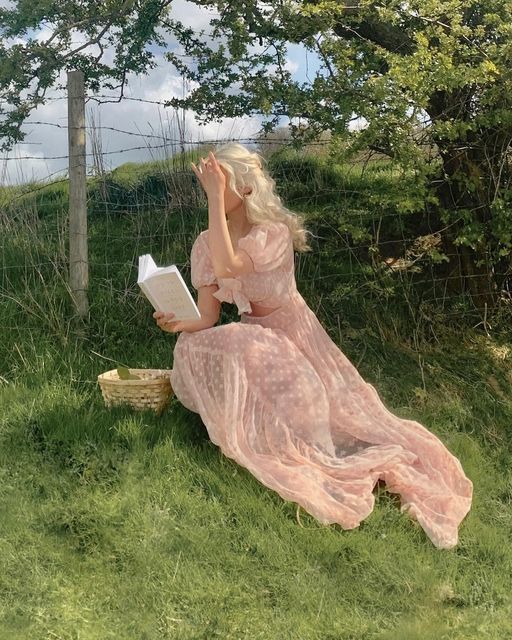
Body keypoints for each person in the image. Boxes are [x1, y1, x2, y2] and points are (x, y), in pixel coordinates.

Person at [154, 142, 473, 550]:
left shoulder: (271, 234)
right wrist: (177, 321)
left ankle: (300, 441)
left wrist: (216, 199)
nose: (211, 190)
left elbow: (230, 266)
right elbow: (208, 318)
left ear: (246, 188)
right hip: (259, 337)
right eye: (209, 185)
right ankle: (242, 429)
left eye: (221, 184)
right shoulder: (206, 241)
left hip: (294, 333)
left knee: (342, 420)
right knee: (193, 343)